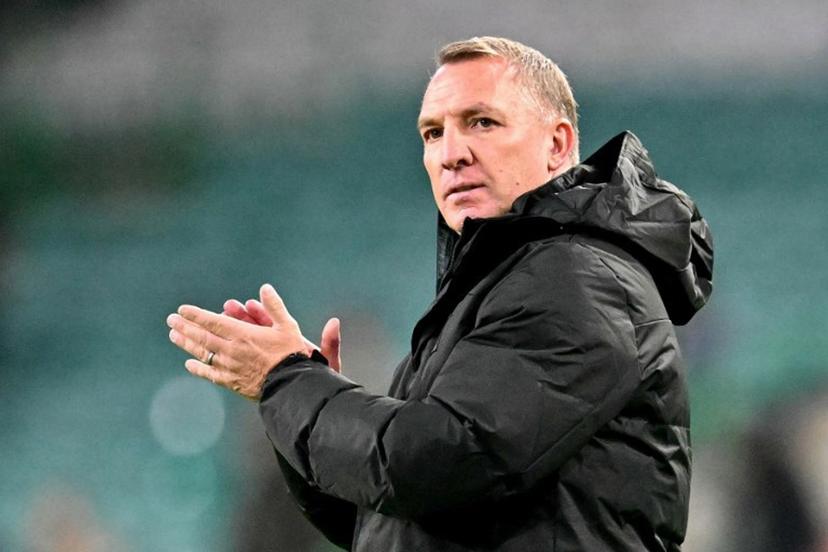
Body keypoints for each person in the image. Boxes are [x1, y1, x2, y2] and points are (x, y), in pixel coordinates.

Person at [166, 36, 713, 551]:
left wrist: (289, 380)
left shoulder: (577, 281)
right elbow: (387, 517)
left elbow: (429, 465)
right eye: (433, 133)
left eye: (481, 122)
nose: (451, 153)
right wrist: (301, 390)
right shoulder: (500, 286)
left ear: (557, 144)